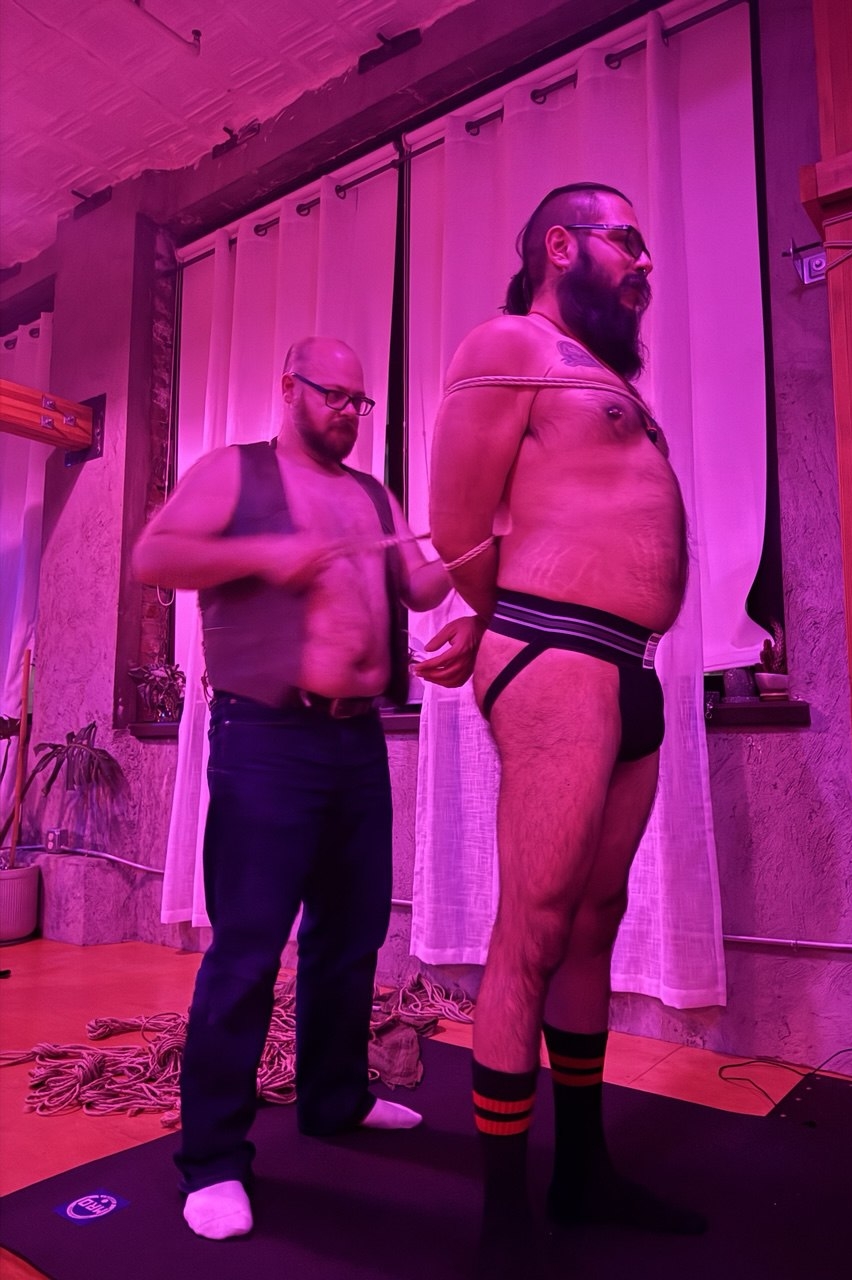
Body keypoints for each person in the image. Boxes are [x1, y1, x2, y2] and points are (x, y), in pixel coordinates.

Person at [133, 336, 478, 1241]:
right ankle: (212, 1161)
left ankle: (333, 1098)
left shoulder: (371, 495)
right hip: (266, 737)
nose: (350, 414)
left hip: (356, 739)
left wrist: (483, 537)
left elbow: (419, 585)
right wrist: (263, 551)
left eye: (361, 403)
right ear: (289, 386)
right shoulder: (235, 472)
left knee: (350, 935)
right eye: (335, 397)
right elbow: (153, 556)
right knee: (248, 950)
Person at [428, 184, 705, 1271]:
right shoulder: (508, 344)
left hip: (630, 664)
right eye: (627, 239)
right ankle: (503, 1226)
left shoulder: (605, 377)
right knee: (533, 927)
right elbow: (457, 523)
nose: (644, 261)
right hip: (556, 653)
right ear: (561, 244)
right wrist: (496, 620)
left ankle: (582, 1171)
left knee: (595, 920)